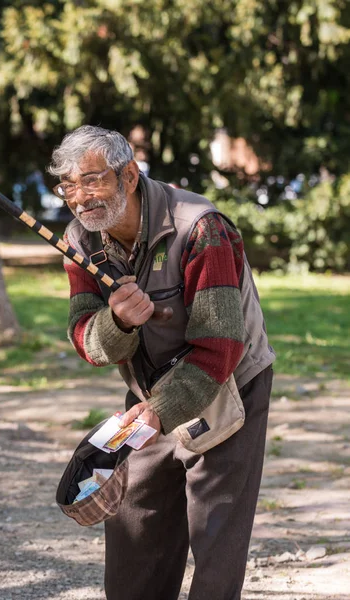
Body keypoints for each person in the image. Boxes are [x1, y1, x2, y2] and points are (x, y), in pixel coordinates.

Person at [48, 125, 275, 600]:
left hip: (229, 379)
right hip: (148, 387)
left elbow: (219, 345)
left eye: (92, 181)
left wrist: (159, 411)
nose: (80, 198)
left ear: (129, 175)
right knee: (136, 525)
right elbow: (88, 342)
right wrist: (119, 325)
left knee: (216, 534)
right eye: (69, 186)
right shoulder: (79, 239)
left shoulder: (201, 227)